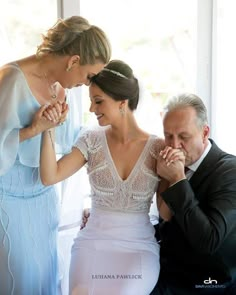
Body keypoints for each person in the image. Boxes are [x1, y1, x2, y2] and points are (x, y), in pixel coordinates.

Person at [40, 60, 183, 295]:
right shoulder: (91, 140)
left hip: (138, 248)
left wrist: (175, 175)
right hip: (92, 244)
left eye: (98, 101)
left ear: (122, 103)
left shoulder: (157, 148)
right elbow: (50, 176)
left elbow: (165, 213)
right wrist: (48, 128)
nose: (91, 109)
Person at [0, 15, 111, 295]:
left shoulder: (61, 89)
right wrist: (34, 128)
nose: (87, 84)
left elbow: (66, 143)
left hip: (44, 197)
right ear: (73, 61)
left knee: (48, 274)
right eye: (88, 76)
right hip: (8, 198)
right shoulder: (11, 79)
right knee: (21, 276)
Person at [150, 93, 236, 295]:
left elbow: (208, 240)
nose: (174, 145)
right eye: (168, 135)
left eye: (183, 137)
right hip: (165, 276)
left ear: (205, 133)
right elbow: (167, 223)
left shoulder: (230, 171)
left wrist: (178, 180)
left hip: (209, 284)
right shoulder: (168, 167)